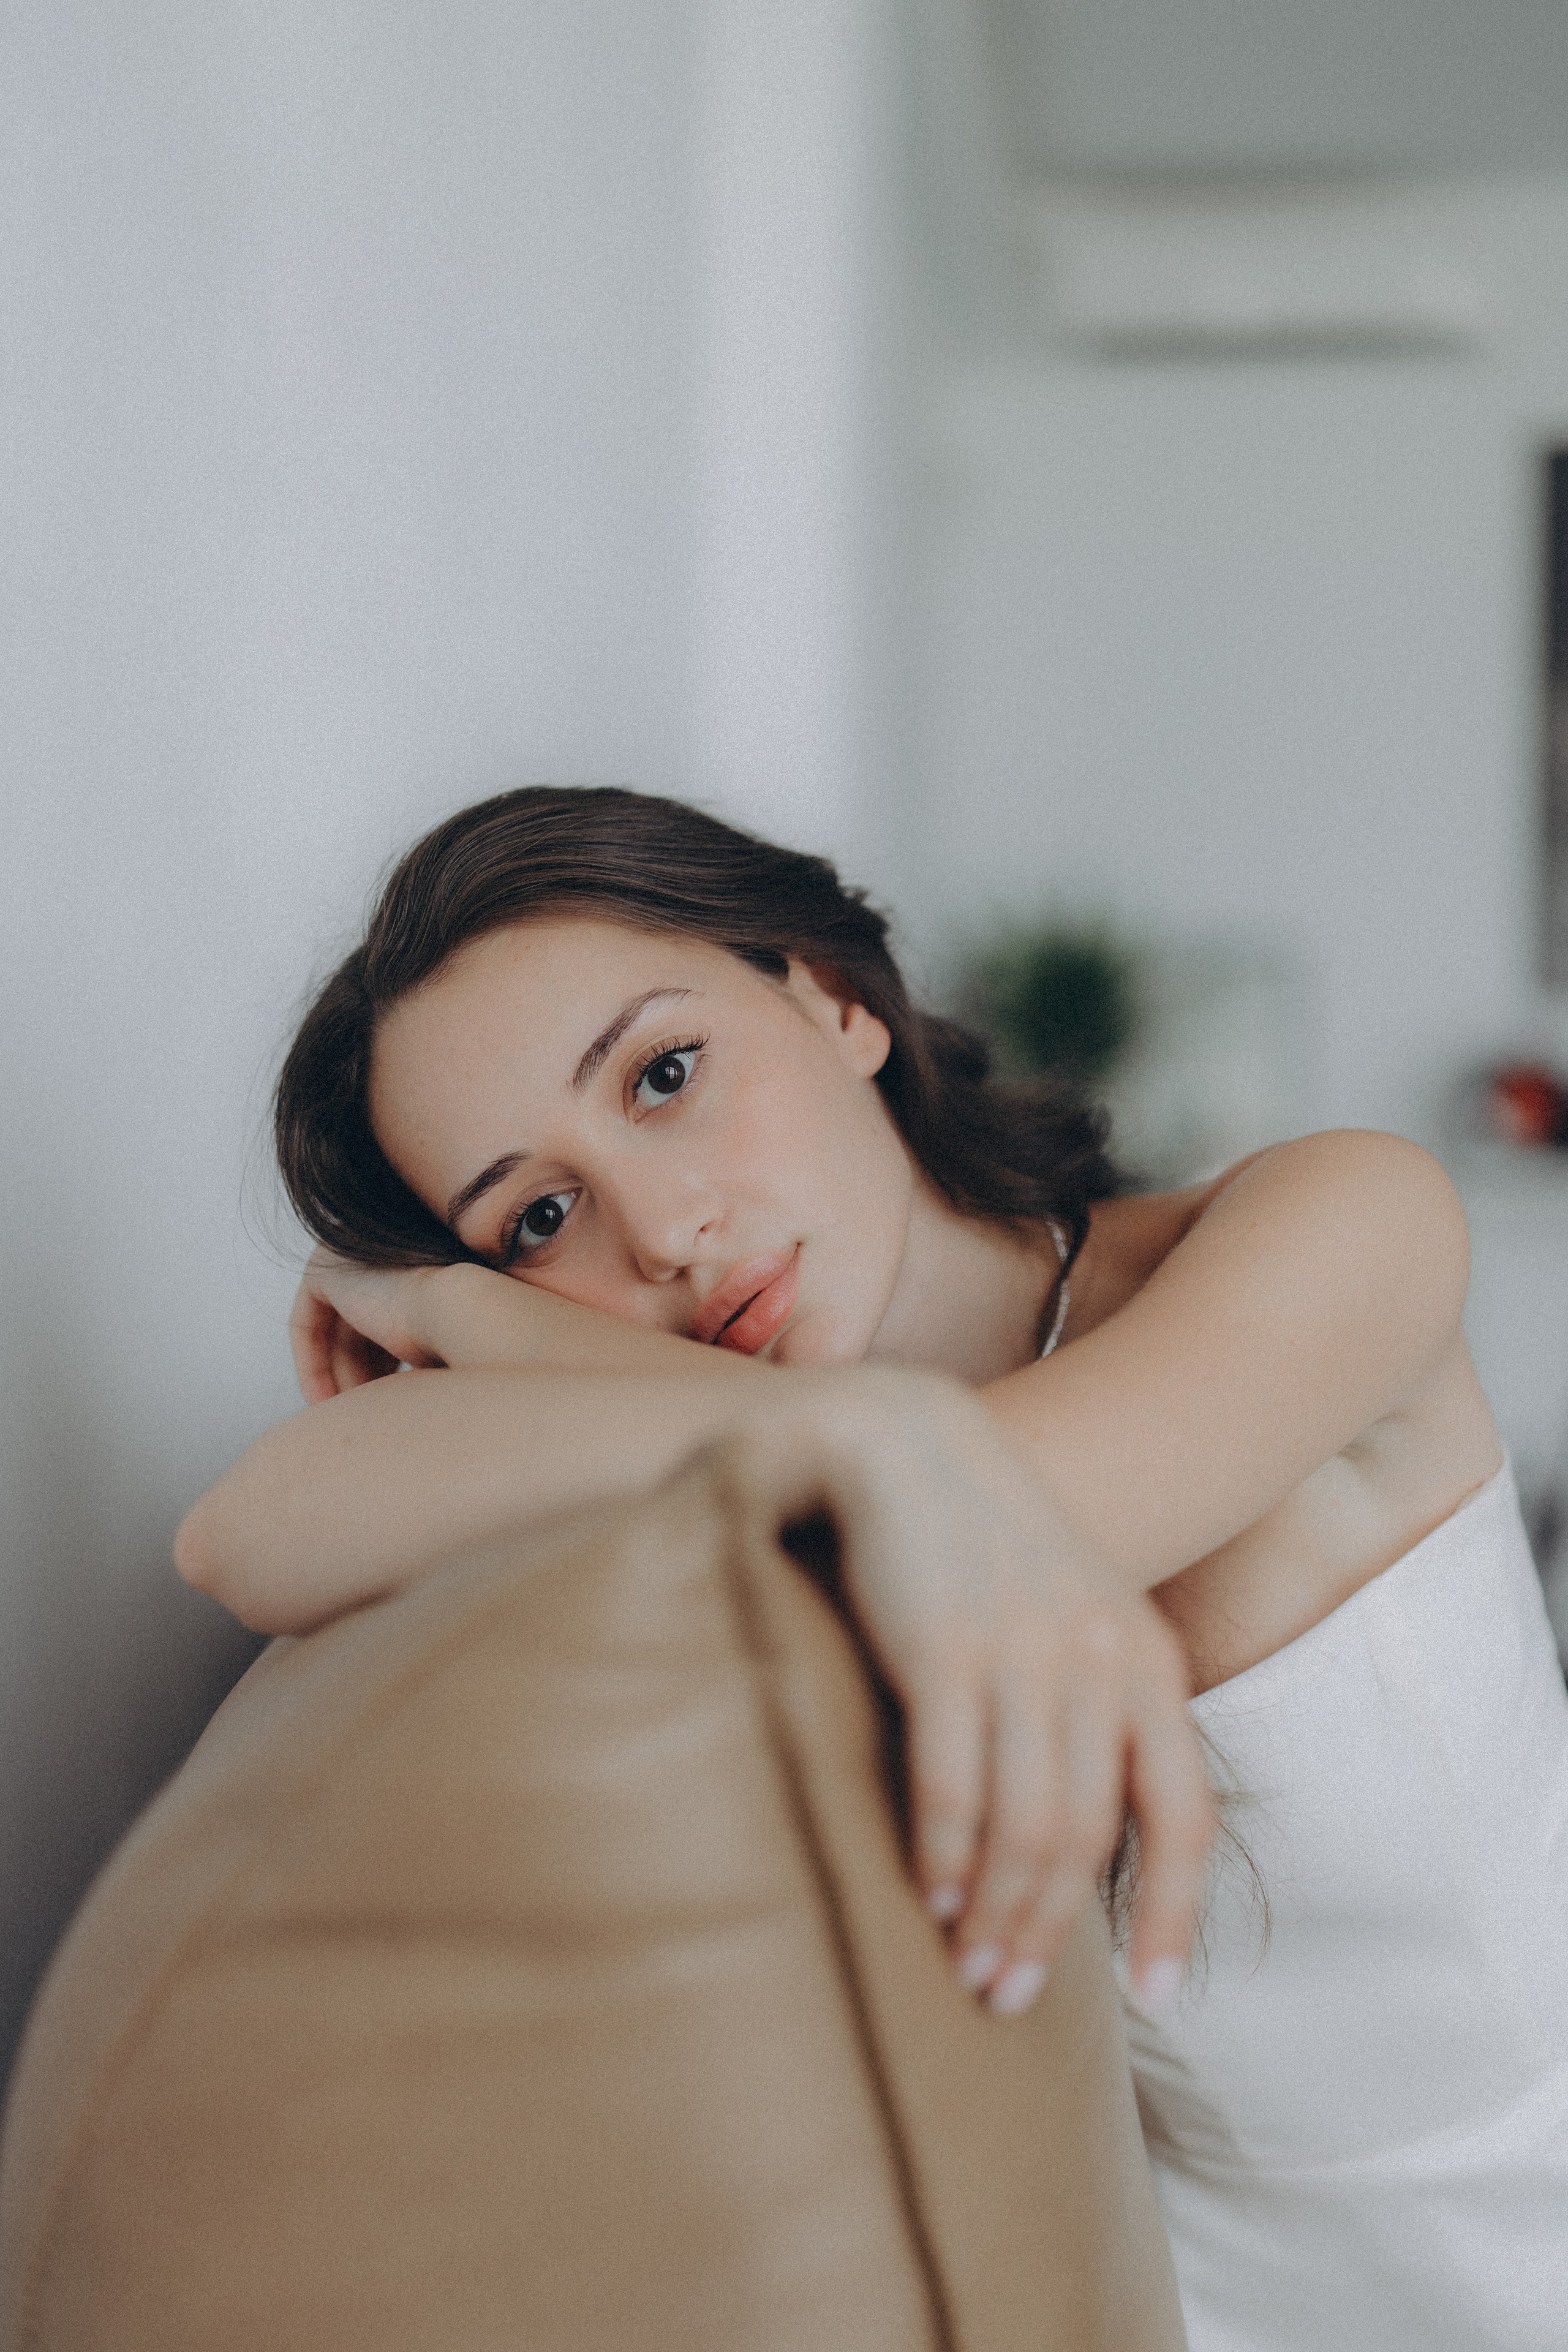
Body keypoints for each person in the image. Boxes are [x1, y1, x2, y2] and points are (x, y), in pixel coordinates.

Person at [178, 786, 1568, 2350]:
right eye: (538, 1217)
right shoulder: (780, 1472)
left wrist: (479, 1316)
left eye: (664, 1074)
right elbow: (242, 1530)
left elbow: (1009, 1499)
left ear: (832, 1000)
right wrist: (460, 1300)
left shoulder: (1341, 1213)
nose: (662, 1234)